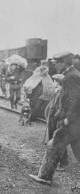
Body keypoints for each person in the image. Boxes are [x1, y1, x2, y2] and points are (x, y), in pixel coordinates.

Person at [29, 52, 80, 185]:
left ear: (64, 62)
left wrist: (68, 118)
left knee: (53, 146)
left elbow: (76, 100)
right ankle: (45, 176)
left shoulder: (72, 76)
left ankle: (45, 177)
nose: (55, 65)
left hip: (72, 122)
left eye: (57, 62)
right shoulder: (71, 74)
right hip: (76, 122)